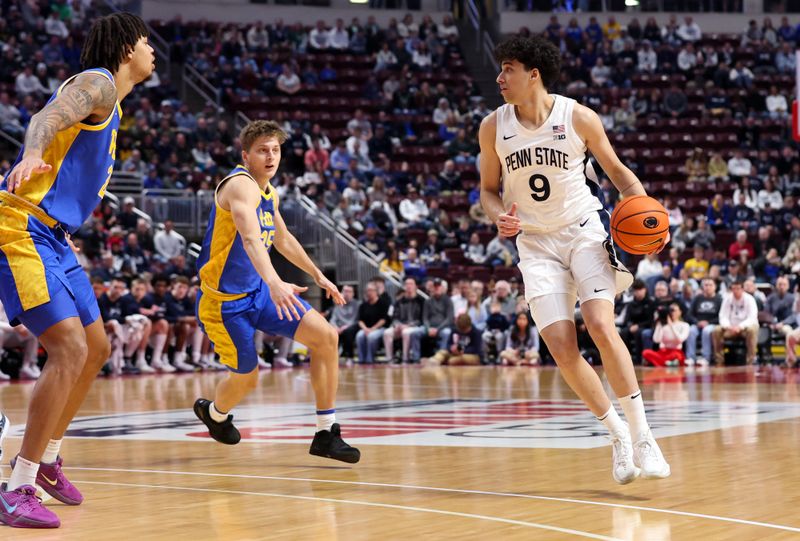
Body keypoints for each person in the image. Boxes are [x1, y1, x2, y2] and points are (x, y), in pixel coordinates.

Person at [479, 36, 670, 484]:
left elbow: (621, 175)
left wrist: (651, 226)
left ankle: (644, 434)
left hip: (584, 229)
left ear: (534, 74)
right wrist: (497, 218)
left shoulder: (578, 116)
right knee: (562, 349)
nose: (499, 77)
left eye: (508, 68)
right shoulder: (493, 127)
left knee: (602, 326)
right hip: (534, 242)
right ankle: (617, 436)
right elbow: (488, 191)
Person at [0, 13, 155, 528]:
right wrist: (32, 152)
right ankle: (17, 484)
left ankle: (46, 459)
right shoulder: (98, 84)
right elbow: (47, 117)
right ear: (128, 47)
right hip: (21, 226)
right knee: (67, 346)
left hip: (57, 239)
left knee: (99, 348)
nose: (152, 50)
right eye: (146, 42)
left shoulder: (113, 103)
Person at [192, 121, 359, 465]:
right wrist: (275, 282)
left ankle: (326, 432)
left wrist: (318, 276)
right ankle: (216, 414)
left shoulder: (269, 191)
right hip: (225, 304)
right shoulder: (240, 186)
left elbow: (280, 238)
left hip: (258, 292)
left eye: (275, 150)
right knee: (247, 378)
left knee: (326, 337)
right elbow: (251, 239)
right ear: (246, 155)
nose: (270, 157)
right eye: (262, 150)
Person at [711, 279, 759, 366]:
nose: (735, 291)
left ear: (742, 289)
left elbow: (752, 318)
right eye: (733, 288)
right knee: (716, 330)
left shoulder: (750, 299)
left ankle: (751, 360)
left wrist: (740, 326)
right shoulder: (727, 299)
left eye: (738, 288)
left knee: (752, 330)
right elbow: (723, 316)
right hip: (731, 328)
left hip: (745, 328)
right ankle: (719, 360)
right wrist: (728, 326)